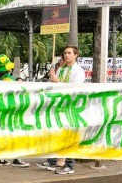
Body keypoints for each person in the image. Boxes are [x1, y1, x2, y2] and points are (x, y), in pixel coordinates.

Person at [36, 45, 86, 175]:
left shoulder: (78, 71)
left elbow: (75, 89)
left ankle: (69, 165)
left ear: (75, 55)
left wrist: (57, 81)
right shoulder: (61, 70)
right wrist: (53, 80)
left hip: (71, 107)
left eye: (69, 53)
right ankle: (52, 161)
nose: (67, 55)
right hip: (59, 106)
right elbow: (55, 87)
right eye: (65, 53)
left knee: (70, 136)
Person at [0, 54, 29, 168]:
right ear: (7, 69)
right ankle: (17, 159)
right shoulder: (9, 80)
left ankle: (2, 159)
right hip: (12, 111)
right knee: (17, 134)